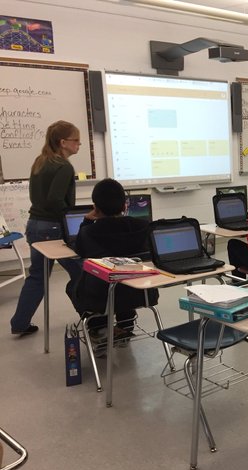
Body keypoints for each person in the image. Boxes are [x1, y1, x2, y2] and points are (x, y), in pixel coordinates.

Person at [10, 120, 84, 337]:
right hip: (53, 228)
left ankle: (20, 323)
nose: (79, 145)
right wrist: (71, 218)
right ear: (63, 142)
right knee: (83, 273)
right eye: (76, 141)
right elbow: (55, 200)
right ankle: (95, 319)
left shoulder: (40, 161)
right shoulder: (64, 166)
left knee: (37, 276)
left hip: (35, 225)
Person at [73, 178, 158, 338]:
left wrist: (86, 222)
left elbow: (79, 250)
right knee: (124, 279)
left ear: (96, 208)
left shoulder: (89, 232)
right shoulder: (144, 226)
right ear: (124, 205)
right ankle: (126, 325)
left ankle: (99, 327)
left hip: (102, 297)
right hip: (142, 292)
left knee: (73, 286)